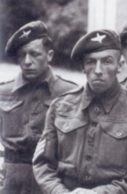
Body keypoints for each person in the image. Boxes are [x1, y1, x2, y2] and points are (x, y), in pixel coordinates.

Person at [32, 29, 127, 194]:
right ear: (82, 66)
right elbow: (43, 163)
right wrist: (59, 192)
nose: (98, 69)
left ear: (120, 65)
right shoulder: (60, 106)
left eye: (107, 61)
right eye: (90, 62)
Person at [0, 20, 77, 194]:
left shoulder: (70, 93)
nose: (27, 61)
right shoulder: (3, 92)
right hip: (12, 183)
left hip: (52, 181)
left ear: (49, 55)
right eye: (22, 55)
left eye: (35, 54)